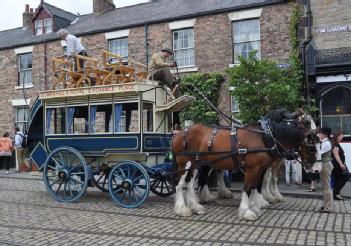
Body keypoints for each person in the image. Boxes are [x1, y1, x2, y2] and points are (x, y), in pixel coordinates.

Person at [318, 127, 334, 213]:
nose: (319, 134)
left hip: (325, 165)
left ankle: (328, 207)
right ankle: (325, 205)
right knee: (325, 187)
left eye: (320, 133)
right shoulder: (324, 142)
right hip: (324, 165)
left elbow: (319, 153)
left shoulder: (326, 143)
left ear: (325, 134)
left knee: (327, 187)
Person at [331, 130, 349, 200]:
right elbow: (336, 155)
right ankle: (336, 193)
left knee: (338, 179)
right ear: (338, 136)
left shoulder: (336, 143)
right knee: (344, 177)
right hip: (337, 165)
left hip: (337, 165)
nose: (343, 136)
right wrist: (341, 164)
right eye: (342, 135)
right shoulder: (335, 144)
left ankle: (336, 194)